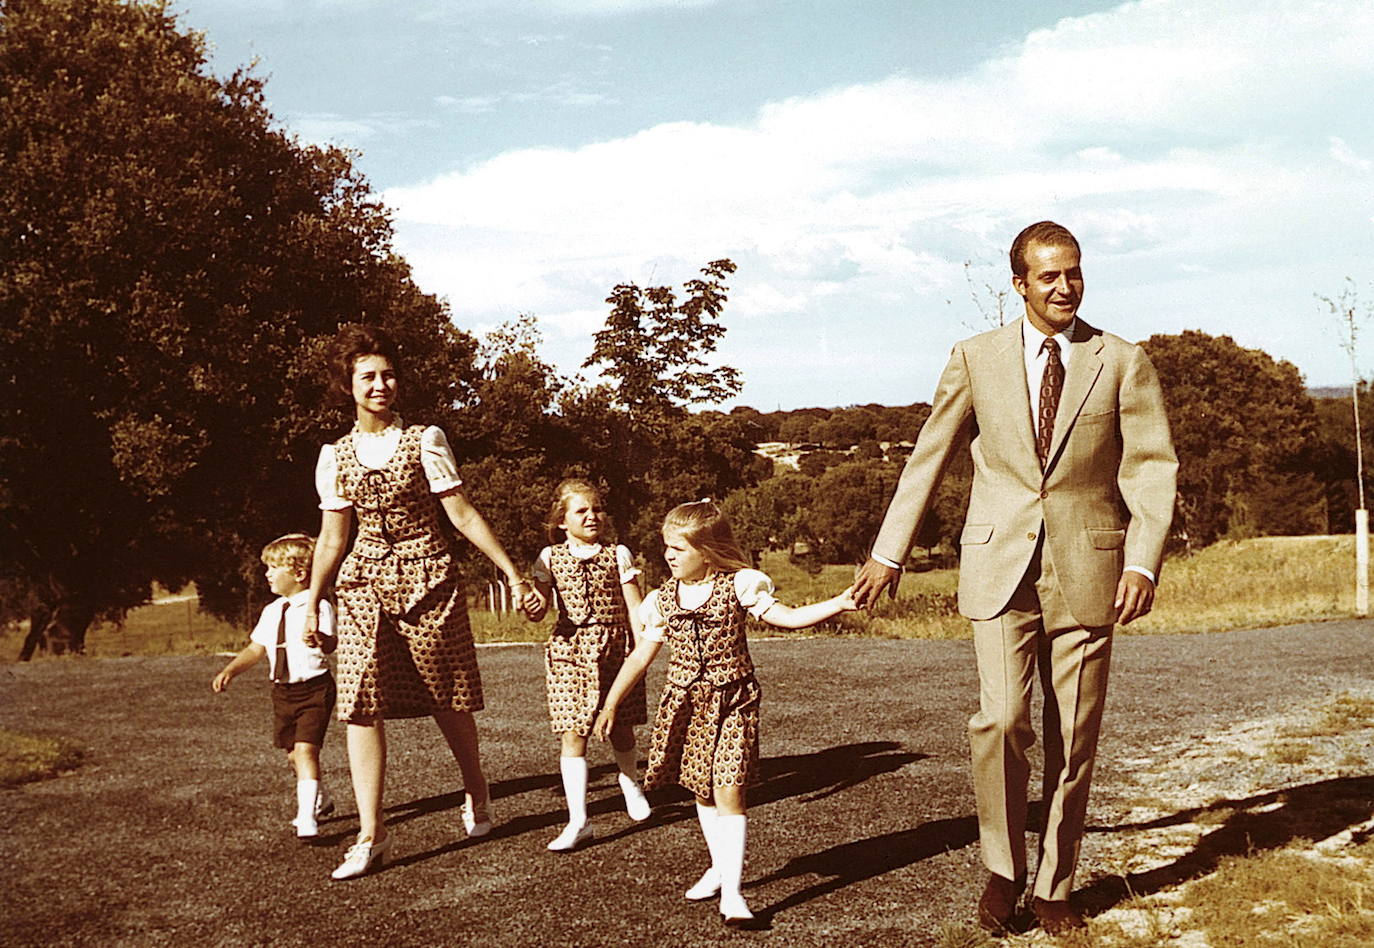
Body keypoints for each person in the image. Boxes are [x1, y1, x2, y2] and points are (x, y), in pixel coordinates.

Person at [852, 221, 1178, 934]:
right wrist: (889, 552)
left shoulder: (1122, 361)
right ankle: (1003, 871)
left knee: (1074, 737)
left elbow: (1151, 468)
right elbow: (930, 455)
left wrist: (1141, 560)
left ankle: (1055, 886)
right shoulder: (975, 357)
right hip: (998, 566)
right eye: (1049, 276)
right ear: (1020, 283)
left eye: (1074, 273)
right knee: (1001, 720)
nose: (1065, 287)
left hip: (1091, 570)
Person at [305, 324, 538, 881]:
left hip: (428, 578)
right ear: (348, 386)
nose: (380, 385)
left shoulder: (425, 440)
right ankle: (371, 834)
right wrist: (313, 600)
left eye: (388, 375)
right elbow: (333, 538)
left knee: (446, 694)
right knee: (359, 700)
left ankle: (476, 789)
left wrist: (511, 571)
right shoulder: (335, 455)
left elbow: (461, 513)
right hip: (363, 583)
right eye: (367, 376)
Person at [594, 501, 857, 925]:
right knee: (702, 791)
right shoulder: (661, 600)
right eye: (666, 546)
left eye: (679, 548)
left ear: (707, 550)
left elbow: (787, 617)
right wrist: (611, 703)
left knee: (730, 789)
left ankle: (732, 895)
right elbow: (641, 655)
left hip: (735, 700)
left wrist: (838, 603)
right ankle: (719, 867)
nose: (668, 555)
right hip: (687, 704)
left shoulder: (740, 585)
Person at [522, 479, 652, 851]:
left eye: (596, 509)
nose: (592, 516)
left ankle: (630, 781)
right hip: (570, 652)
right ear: (562, 521)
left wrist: (641, 650)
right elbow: (539, 609)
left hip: (615, 650)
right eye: (581, 511)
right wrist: (530, 604)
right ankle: (578, 820)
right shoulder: (549, 557)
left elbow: (634, 608)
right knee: (573, 733)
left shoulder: (617, 554)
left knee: (621, 727)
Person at [212, 533, 337, 839]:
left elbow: (331, 643)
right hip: (283, 693)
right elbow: (256, 648)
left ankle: (306, 818)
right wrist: (231, 670)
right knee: (293, 755)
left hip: (314, 689)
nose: (267, 574)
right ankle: (321, 798)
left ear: (299, 573)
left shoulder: (317, 606)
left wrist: (319, 639)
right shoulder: (272, 611)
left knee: (305, 751)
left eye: (273, 568)